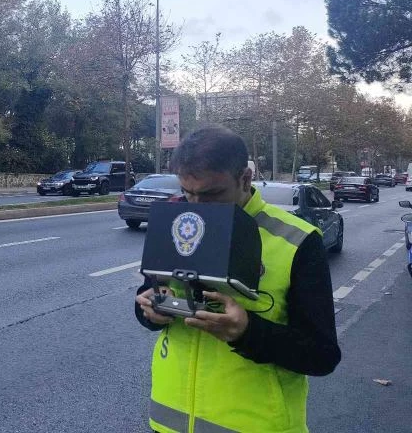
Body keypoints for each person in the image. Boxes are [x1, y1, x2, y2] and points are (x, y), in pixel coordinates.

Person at [135, 125, 340, 433]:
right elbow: (149, 294)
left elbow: (322, 355)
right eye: (187, 194)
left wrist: (246, 332)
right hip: (168, 423)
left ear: (245, 179)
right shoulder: (179, 223)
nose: (197, 208)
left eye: (212, 195)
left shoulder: (297, 241)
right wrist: (150, 309)